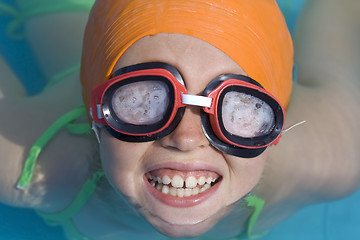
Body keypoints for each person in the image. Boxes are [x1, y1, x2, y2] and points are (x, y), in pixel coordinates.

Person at [0, 0, 359, 239]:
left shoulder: (333, 157)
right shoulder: (25, 162)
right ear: (97, 113)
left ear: (273, 127)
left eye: (238, 106)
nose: (186, 138)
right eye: (141, 98)